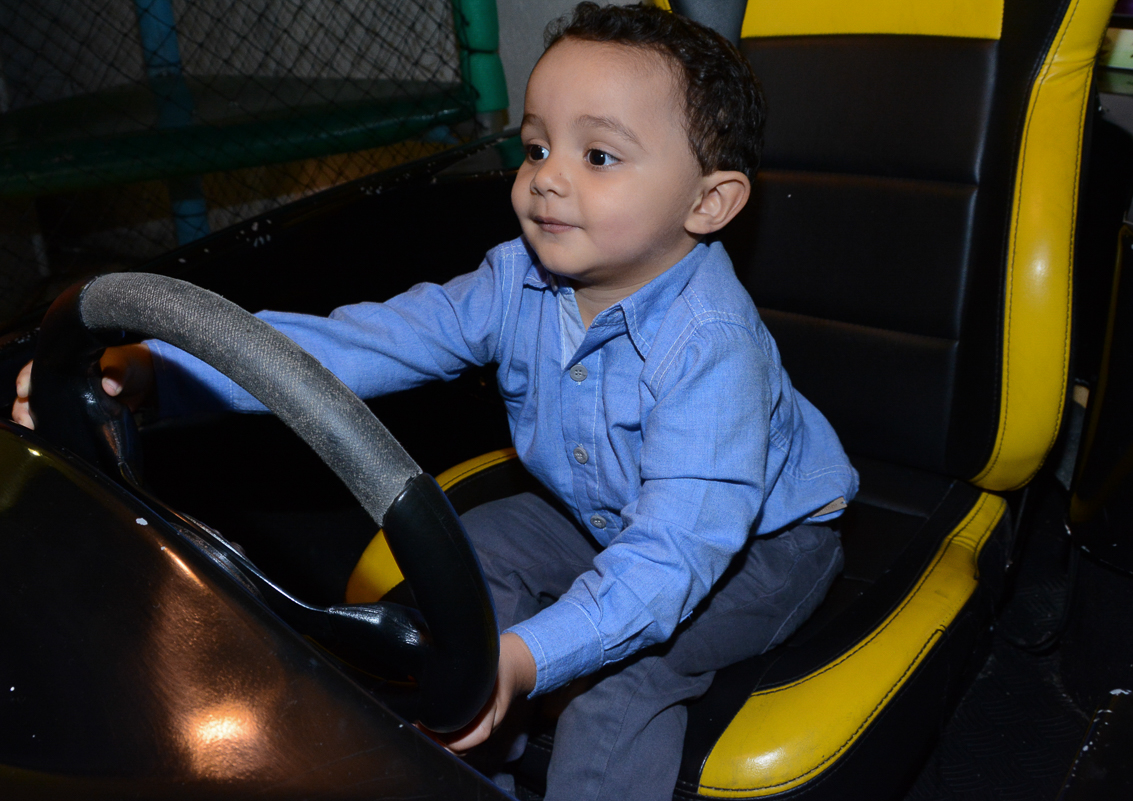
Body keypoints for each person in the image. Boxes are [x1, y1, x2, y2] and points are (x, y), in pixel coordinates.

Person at [13, 4, 858, 799]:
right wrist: (165, 368)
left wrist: (530, 659)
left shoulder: (712, 348)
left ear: (709, 203)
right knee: (463, 567)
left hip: (758, 549)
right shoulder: (517, 278)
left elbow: (674, 558)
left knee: (622, 678)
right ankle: (470, 769)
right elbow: (367, 341)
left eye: (596, 156)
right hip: (595, 509)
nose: (547, 180)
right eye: (536, 148)